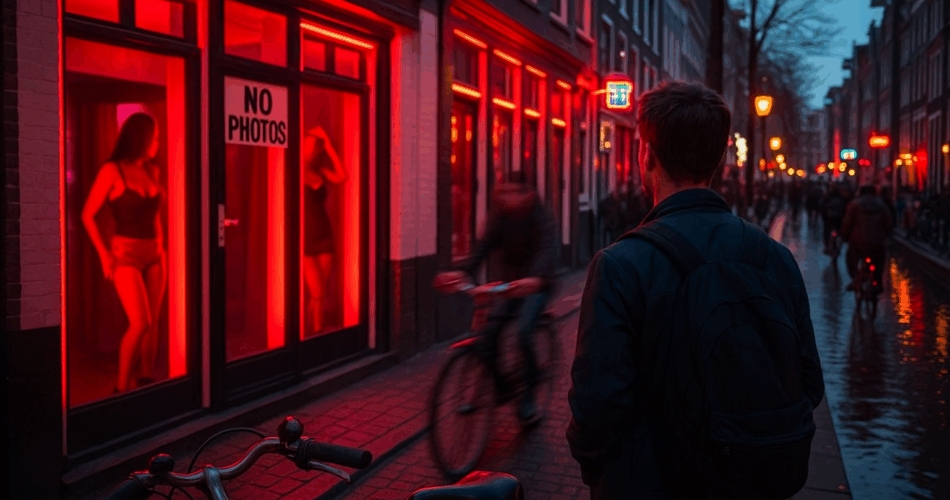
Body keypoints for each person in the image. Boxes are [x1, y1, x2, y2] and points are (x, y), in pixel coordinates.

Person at [566, 81, 824, 499]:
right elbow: (809, 381)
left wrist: (604, 473)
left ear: (646, 156)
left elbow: (597, 406)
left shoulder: (619, 266)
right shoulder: (775, 259)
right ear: (720, 159)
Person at [436, 171, 558, 425]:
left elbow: (548, 248)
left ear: (528, 194)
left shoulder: (541, 217)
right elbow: (484, 245)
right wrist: (462, 272)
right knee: (489, 334)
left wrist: (535, 278)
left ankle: (528, 397)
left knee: (524, 332)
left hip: (536, 285)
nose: (507, 198)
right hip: (510, 283)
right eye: (503, 192)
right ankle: (502, 387)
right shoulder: (500, 214)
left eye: (513, 192)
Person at [82, 112, 167, 394]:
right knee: (140, 321)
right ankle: (120, 388)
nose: (158, 142)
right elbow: (87, 214)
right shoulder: (112, 171)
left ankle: (144, 377)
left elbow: (155, 216)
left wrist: (161, 246)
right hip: (125, 253)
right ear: (141, 138)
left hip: (154, 253)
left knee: (152, 322)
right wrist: (105, 255)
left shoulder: (151, 171)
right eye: (155, 137)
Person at [302, 125, 348, 334]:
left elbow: (342, 177)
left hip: (324, 233)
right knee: (317, 290)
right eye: (308, 145)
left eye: (315, 147)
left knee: (320, 292)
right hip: (304, 236)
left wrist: (329, 145)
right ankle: (314, 332)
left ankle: (314, 331)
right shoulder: (292, 168)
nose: (310, 150)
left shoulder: (320, 170)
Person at [842, 185, 893, 294]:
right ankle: (878, 282)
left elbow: (847, 224)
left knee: (850, 257)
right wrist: (886, 236)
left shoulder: (854, 204)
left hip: (858, 242)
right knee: (880, 260)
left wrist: (845, 237)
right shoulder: (882, 205)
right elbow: (888, 224)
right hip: (877, 242)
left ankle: (855, 279)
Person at [821, 183, 849, 254]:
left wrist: (824, 216)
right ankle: (837, 247)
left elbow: (823, 207)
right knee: (838, 232)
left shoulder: (828, 197)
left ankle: (827, 246)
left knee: (827, 231)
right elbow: (845, 208)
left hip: (829, 218)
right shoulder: (841, 198)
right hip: (838, 219)